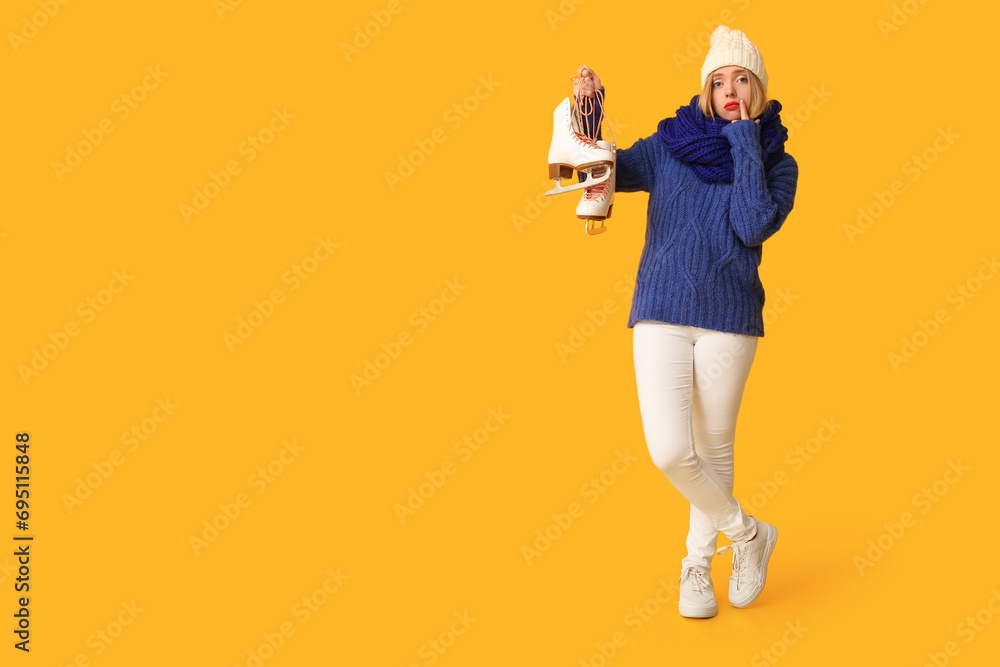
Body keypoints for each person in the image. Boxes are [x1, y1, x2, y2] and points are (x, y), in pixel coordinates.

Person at [573, 25, 798, 618]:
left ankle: (697, 566)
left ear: (758, 89)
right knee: (671, 450)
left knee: (714, 450)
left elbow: (752, 224)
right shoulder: (670, 144)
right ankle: (750, 534)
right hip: (661, 310)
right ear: (704, 89)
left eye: (741, 79)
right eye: (718, 80)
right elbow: (604, 172)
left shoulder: (778, 162)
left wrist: (745, 141)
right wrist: (588, 113)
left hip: (730, 317)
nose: (729, 89)